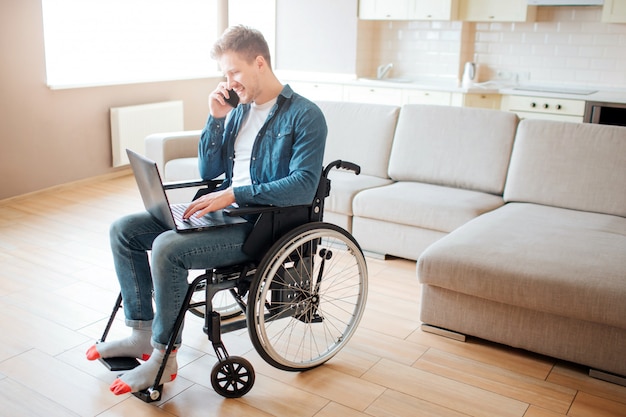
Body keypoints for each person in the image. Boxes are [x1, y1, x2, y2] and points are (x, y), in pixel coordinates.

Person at [86, 25, 328, 396]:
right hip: (223, 214)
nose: (228, 82)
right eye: (224, 74)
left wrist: (235, 195)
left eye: (233, 72)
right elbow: (208, 170)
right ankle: (140, 334)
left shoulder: (304, 115)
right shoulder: (236, 111)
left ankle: (164, 358)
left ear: (259, 62)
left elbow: (303, 185)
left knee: (168, 248)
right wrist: (214, 119)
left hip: (260, 225)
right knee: (124, 230)